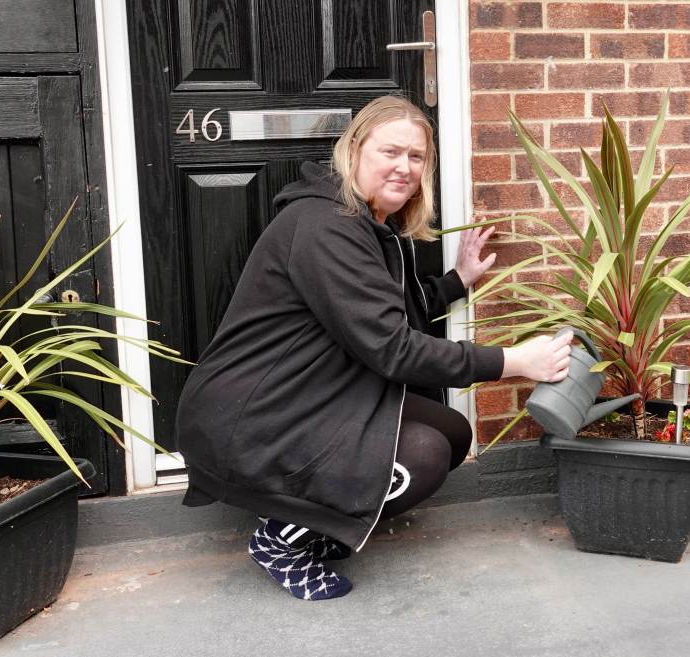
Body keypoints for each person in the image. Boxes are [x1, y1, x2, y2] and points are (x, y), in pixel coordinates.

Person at [175, 96, 572, 601]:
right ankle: (280, 539)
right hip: (256, 415)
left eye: (416, 157)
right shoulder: (327, 228)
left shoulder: (365, 224)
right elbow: (394, 348)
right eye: (391, 152)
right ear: (354, 150)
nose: (404, 168)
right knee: (422, 457)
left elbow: (381, 313)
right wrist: (512, 362)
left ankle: (318, 522)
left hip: (306, 395)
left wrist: (456, 281)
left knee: (451, 431)